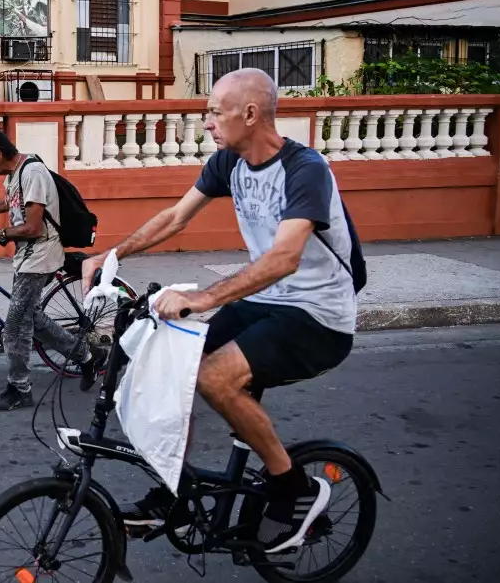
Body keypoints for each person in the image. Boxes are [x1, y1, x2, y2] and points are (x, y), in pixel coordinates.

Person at [80, 68, 357, 554]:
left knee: (214, 378)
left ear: (249, 114)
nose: (206, 122)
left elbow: (284, 258)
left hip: (317, 314)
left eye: (214, 112)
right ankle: (175, 494)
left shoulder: (305, 169)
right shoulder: (229, 162)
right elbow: (176, 216)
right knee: (174, 362)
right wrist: (113, 255)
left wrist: (204, 298)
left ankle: (293, 487)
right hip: (265, 303)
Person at [0, 128, 104, 412]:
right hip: (27, 257)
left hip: (39, 257)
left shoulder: (33, 173)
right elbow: (8, 203)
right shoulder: (15, 173)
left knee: (14, 326)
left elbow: (34, 228)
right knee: (30, 317)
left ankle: (20, 389)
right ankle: (87, 356)